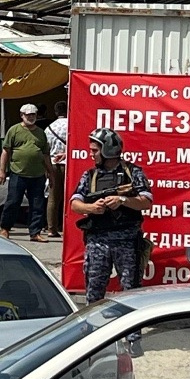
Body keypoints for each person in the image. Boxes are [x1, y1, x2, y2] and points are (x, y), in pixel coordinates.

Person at [69, 126, 153, 305]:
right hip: (97, 243)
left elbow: (146, 201)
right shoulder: (90, 176)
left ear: (107, 150)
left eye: (95, 151)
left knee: (132, 293)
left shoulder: (133, 172)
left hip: (127, 242)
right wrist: (92, 208)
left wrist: (122, 200)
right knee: (93, 294)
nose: (92, 154)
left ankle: (132, 333)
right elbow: (75, 204)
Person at [0, 103, 50, 242]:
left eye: (33, 114)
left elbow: (45, 154)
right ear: (22, 115)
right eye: (28, 115)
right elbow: (6, 151)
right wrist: (2, 171)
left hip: (37, 175)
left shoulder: (41, 133)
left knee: (37, 205)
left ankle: (35, 233)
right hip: (18, 173)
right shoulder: (14, 130)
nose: (31, 117)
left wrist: (50, 171)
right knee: (13, 202)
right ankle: (5, 229)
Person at [44, 108, 70, 236]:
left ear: (55, 112)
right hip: (68, 163)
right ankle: (67, 227)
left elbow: (45, 150)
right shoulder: (72, 125)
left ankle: (51, 228)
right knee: (70, 196)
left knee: (53, 198)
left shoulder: (49, 128)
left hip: (53, 164)